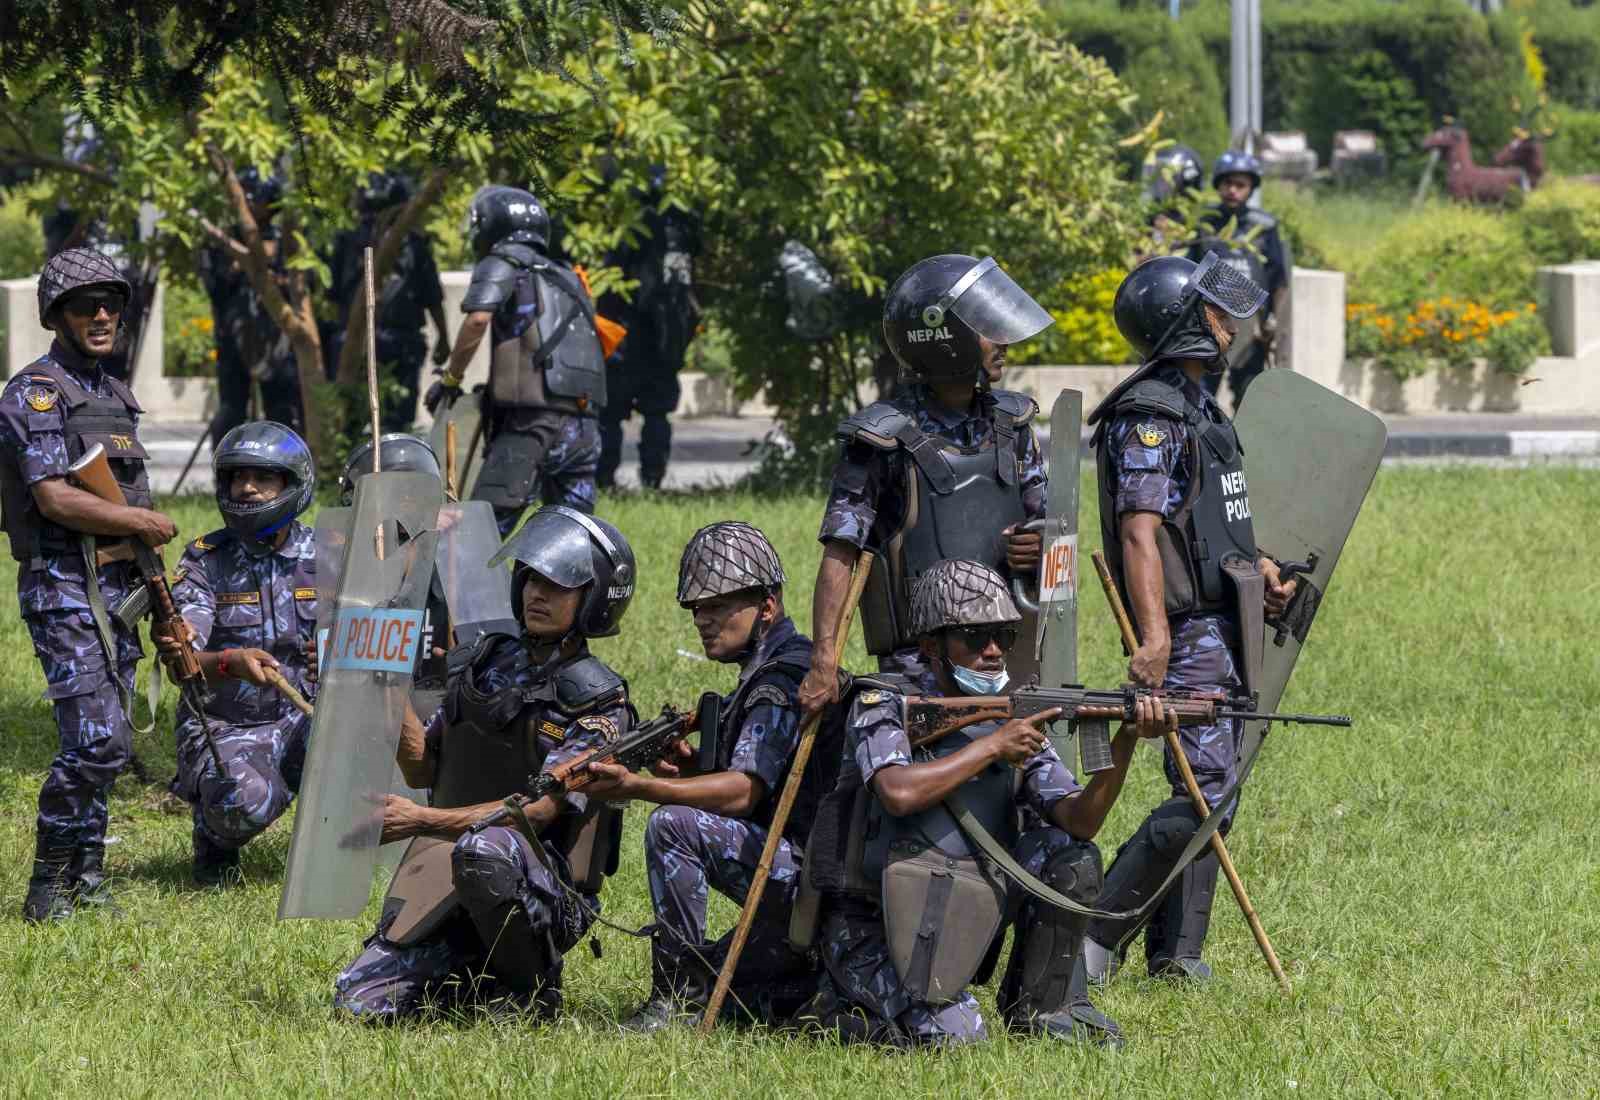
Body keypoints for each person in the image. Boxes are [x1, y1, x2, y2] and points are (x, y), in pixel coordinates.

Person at [804, 559, 1168, 1049]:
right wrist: (992, 748)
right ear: (932, 647)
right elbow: (897, 791)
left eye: (1003, 636)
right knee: (960, 1039)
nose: (994, 651)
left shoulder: (1012, 719)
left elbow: (1080, 821)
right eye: (976, 638)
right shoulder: (885, 703)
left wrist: (1125, 739)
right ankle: (836, 1005)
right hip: (871, 923)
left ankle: (1042, 1008)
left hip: (954, 907)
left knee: (1070, 857)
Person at [1083, 253, 1296, 982]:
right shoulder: (1151, 416)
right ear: (1184, 323)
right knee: (1208, 792)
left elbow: (1206, 521)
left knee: (1210, 788)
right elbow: (1140, 531)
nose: (1229, 320)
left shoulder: (1198, 404)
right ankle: (1090, 939)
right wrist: (1155, 638)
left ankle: (1177, 956)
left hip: (1220, 619)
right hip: (1188, 630)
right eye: (1214, 310)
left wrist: (1261, 570)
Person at [333, 506, 635, 1021]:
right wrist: (386, 682)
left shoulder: (598, 701)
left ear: (594, 600)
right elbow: (424, 770)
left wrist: (421, 820)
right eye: (531, 579)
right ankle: (473, 979)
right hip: (451, 871)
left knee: (486, 848)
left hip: (546, 884)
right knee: (359, 1004)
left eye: (558, 586)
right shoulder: (484, 662)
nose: (537, 593)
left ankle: (532, 992)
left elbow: (539, 812)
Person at [0, 248, 180, 921]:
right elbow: (53, 497)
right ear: (57, 315)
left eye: (111, 303)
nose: (102, 315)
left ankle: (90, 879)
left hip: (117, 588)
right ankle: (47, 888)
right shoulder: (35, 392)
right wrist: (134, 519)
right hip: (62, 586)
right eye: (85, 305)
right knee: (96, 739)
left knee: (111, 740)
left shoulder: (113, 393)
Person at [583, 521, 819, 1032]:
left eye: (718, 606)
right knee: (731, 981)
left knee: (673, 825)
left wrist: (639, 787)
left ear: (768, 606)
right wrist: (690, 767)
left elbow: (742, 792)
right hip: (803, 868)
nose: (703, 620)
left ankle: (675, 1000)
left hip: (811, 879)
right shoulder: (771, 666)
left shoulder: (778, 682)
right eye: (696, 609)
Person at [799, 254, 1053, 713]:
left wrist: (1038, 548)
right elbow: (841, 552)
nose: (1003, 342)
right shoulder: (880, 439)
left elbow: (1054, 538)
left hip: (1007, 653)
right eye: (986, 329)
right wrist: (823, 660)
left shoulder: (1013, 425)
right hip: (921, 668)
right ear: (946, 338)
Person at [153, 422, 319, 886]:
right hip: (229, 723)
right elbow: (183, 661)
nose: (245, 488)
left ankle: (334, 858)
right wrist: (229, 662)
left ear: (293, 483)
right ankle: (214, 839)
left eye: (262, 478)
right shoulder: (205, 560)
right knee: (241, 804)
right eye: (236, 477)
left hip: (310, 718)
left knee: (384, 764)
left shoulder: (331, 556)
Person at [424, 185, 606, 537]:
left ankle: (460, 595)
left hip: (531, 427)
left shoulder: (503, 262)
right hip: (584, 427)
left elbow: (477, 319)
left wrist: (449, 379)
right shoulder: (569, 278)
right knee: (573, 537)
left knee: (476, 537)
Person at [595, 166, 701, 490]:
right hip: (667, 338)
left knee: (611, 415)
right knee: (655, 416)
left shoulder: (632, 223)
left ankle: (605, 481)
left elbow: (610, 276)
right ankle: (652, 482)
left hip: (627, 338)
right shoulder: (683, 223)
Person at [327, 171, 450, 430]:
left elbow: (432, 297)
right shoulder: (348, 242)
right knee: (367, 422)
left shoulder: (412, 246)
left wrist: (444, 338)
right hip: (363, 342)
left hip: (395, 343)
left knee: (385, 423)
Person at [198, 166, 302, 439]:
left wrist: (274, 274)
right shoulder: (224, 240)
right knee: (231, 412)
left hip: (278, 343)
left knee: (281, 412)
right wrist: (241, 264)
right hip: (234, 339)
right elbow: (215, 287)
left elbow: (303, 287)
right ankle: (225, 475)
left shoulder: (285, 241)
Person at [1185, 151, 1292, 408]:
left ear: (1251, 188)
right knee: (1200, 396)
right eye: (1227, 184)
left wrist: (1273, 322)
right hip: (1209, 327)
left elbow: (1278, 278)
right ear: (1218, 186)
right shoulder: (1204, 223)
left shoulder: (1265, 226)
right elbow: (1187, 269)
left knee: (1249, 399)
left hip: (1251, 329)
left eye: (1240, 185)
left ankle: (1243, 449)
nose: (1233, 190)